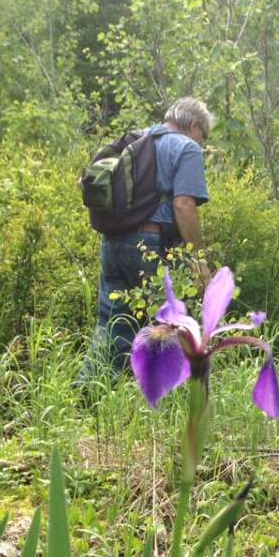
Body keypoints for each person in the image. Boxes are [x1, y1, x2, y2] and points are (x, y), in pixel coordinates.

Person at [81, 97, 214, 380]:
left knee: (112, 324)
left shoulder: (135, 140)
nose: (202, 143)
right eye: (203, 136)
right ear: (193, 126)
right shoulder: (187, 148)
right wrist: (198, 261)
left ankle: (89, 395)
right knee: (170, 323)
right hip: (153, 247)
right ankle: (167, 404)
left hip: (113, 244)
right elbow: (183, 205)